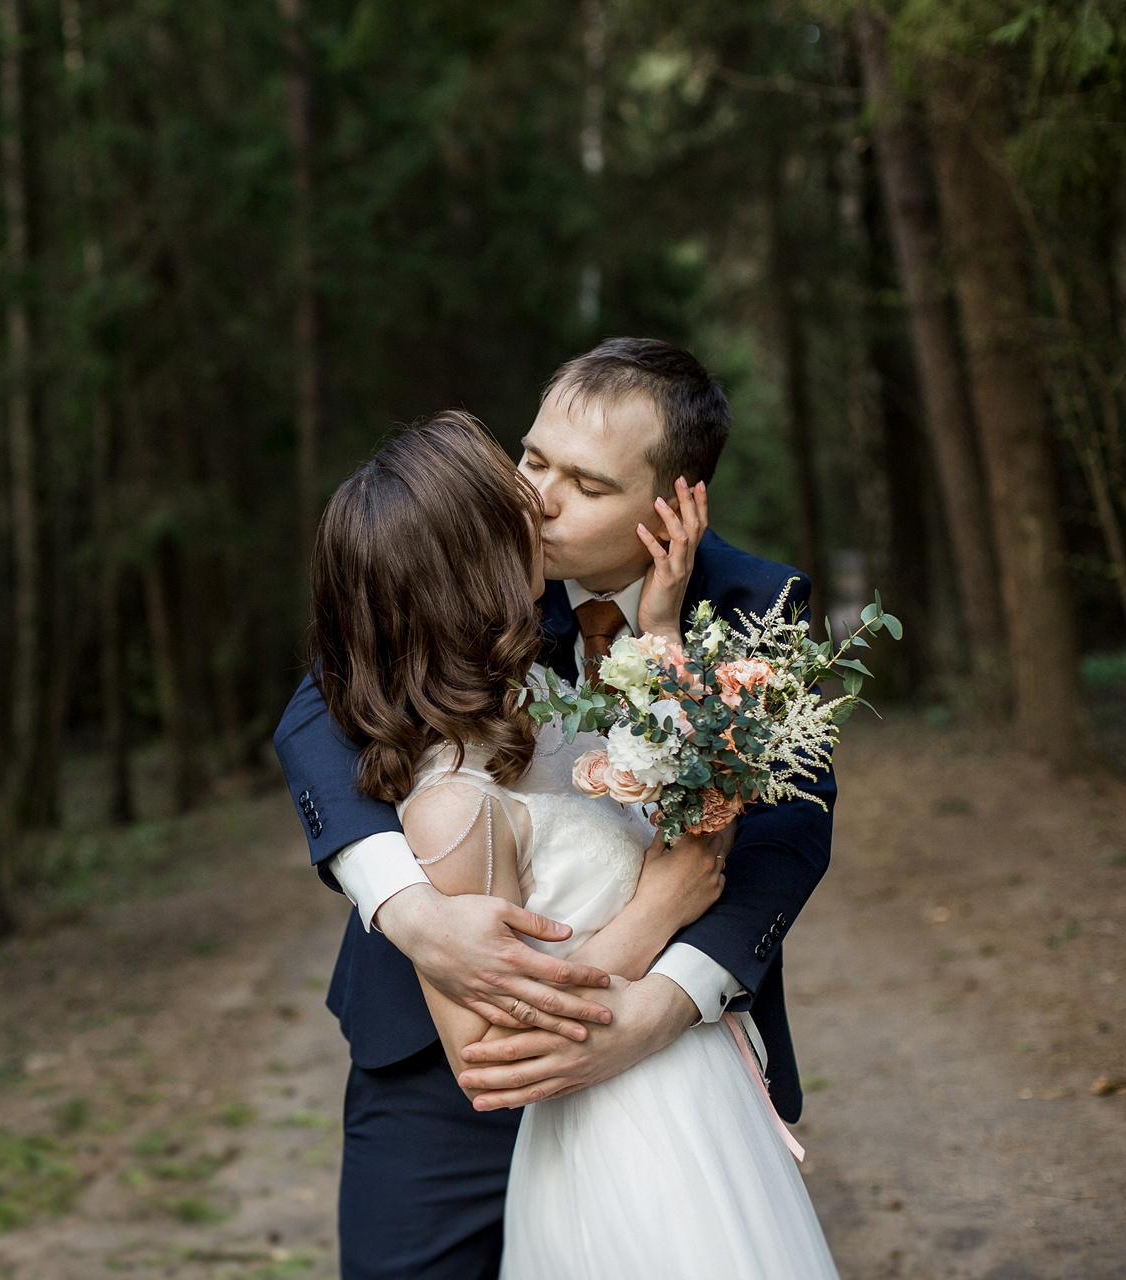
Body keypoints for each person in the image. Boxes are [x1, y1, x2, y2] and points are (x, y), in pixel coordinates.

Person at [273, 338, 837, 1278]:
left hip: (657, 1052)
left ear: (672, 503)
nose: (536, 498)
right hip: (437, 1045)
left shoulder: (755, 608)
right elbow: (318, 709)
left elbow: (782, 841)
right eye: (533, 458)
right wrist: (413, 915)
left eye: (586, 482)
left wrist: (655, 1011)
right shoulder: (473, 565)